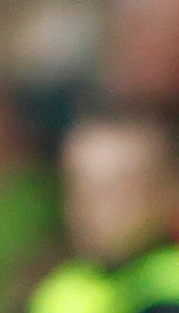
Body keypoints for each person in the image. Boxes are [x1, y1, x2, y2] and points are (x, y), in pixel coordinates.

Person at [29, 108, 179, 313]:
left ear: (168, 192)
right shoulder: (60, 289)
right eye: (79, 188)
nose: (90, 207)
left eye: (113, 191)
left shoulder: (168, 289)